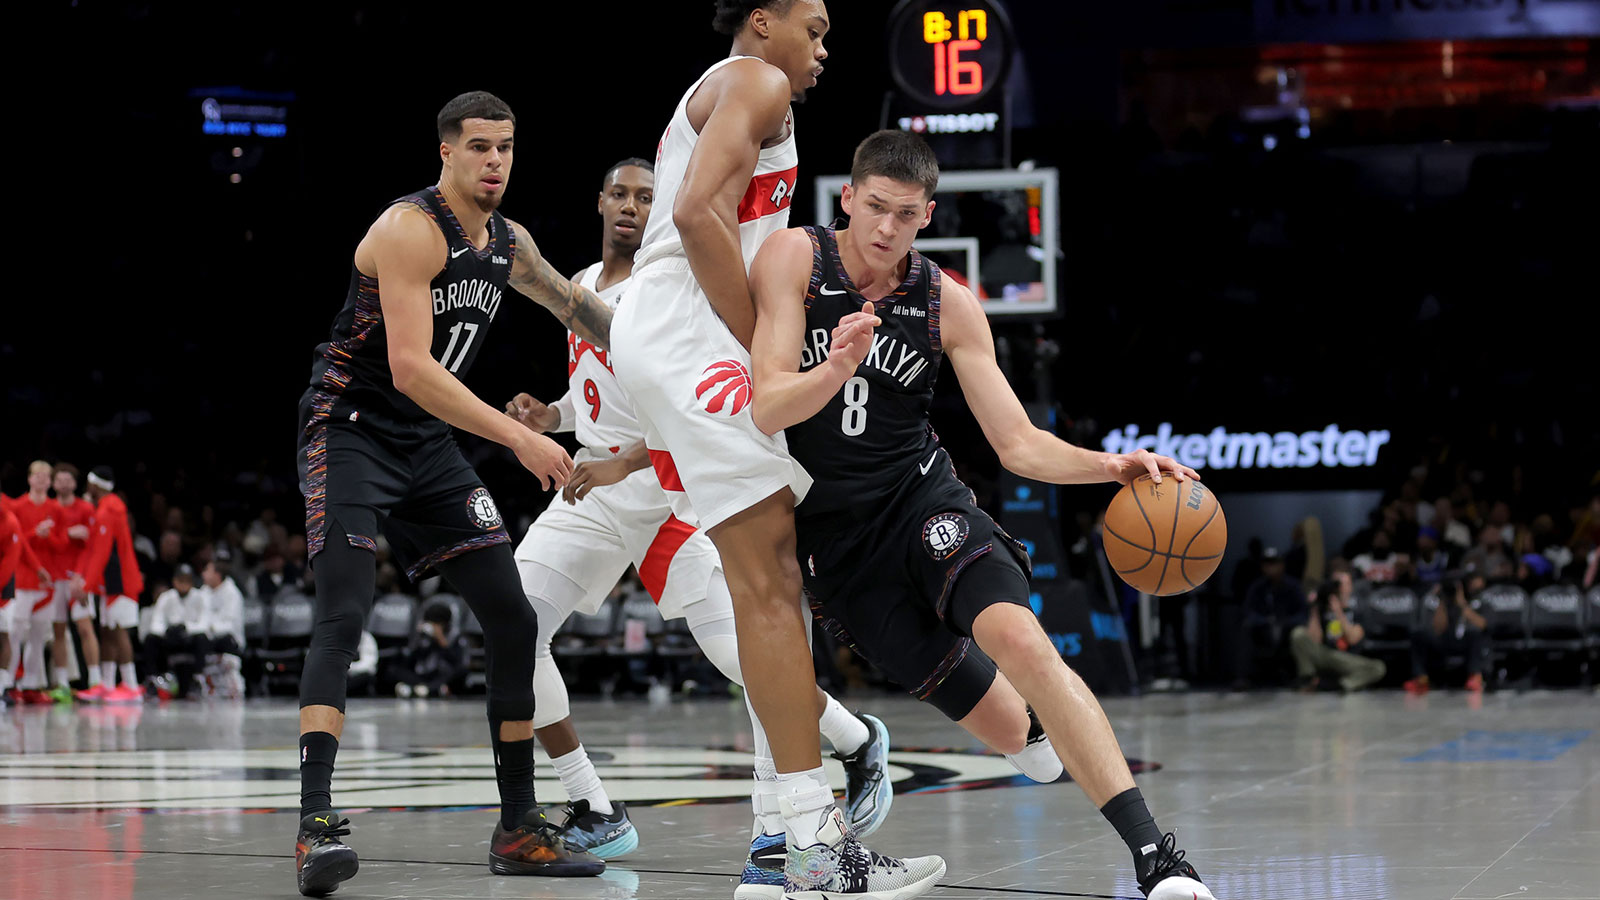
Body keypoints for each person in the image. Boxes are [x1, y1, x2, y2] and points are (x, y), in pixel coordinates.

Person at [747, 129, 1218, 900]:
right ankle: (1031, 731)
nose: (885, 229)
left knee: (1021, 639)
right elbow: (767, 405)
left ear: (928, 214)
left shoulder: (948, 303)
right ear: (846, 198)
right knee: (1011, 734)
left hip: (921, 502)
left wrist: (1112, 467)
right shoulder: (794, 260)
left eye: (904, 214)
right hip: (836, 544)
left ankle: (1157, 859)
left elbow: (1018, 444)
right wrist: (836, 363)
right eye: (873, 208)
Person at [608, 4, 947, 898]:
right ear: (763, 23)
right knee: (767, 586)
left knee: (764, 580)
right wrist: (762, 339)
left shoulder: (733, 92)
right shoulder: (756, 79)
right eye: (816, 27)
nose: (824, 48)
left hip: (665, 337)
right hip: (690, 333)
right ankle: (812, 849)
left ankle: (786, 845)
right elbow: (691, 212)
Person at [505, 158, 891, 875]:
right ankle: (593, 806)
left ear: (661, 213)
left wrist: (622, 463)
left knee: (746, 653)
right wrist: (550, 414)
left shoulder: (677, 297)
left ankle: (845, 742)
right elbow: (596, 399)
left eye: (645, 197)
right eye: (618, 193)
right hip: (592, 493)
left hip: (665, 494)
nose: (629, 206)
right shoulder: (587, 283)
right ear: (598, 200)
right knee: (511, 628)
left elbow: (697, 414)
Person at [289, 90, 621, 894]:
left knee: (512, 615)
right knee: (344, 612)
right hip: (354, 426)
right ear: (446, 152)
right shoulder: (410, 227)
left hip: (427, 445)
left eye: (506, 147)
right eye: (479, 147)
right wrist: (520, 438)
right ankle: (315, 827)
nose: (496, 161)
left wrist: (684, 360)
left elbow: (579, 310)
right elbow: (409, 368)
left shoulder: (509, 243)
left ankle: (518, 828)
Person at [72, 467, 145, 704]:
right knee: (107, 631)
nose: (87, 488)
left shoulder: (108, 512)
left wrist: (87, 585)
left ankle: (131, 686)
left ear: (97, 485)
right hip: (109, 582)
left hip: (121, 581)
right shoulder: (104, 510)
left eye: (89, 484)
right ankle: (106, 683)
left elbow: (101, 554)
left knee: (119, 631)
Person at [5, 461, 67, 703]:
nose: (41, 480)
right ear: (29, 479)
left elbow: (62, 545)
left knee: (39, 635)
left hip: (47, 582)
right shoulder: (17, 506)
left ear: (50, 482)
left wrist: (48, 536)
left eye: (46, 477)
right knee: (15, 634)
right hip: (23, 579)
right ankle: (8, 683)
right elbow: (14, 542)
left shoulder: (56, 509)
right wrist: (33, 534)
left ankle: (30, 684)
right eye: (37, 476)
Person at [53, 463, 104, 700]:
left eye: (68, 480)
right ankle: (63, 684)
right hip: (54, 580)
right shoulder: (50, 509)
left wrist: (81, 577)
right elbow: (47, 543)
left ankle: (95, 681)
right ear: (54, 483)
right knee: (58, 631)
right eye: (59, 480)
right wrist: (67, 534)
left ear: (74, 484)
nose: (63, 484)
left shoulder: (85, 509)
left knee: (85, 628)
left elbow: (92, 547)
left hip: (78, 579)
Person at [1288, 573, 1386, 692]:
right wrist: (1315, 609)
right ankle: (1308, 678)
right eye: (1337, 584)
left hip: (1347, 658)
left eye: (1344, 584)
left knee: (1378, 667)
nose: (1340, 588)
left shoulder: (1358, 610)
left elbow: (1353, 639)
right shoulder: (1322, 609)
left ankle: (1337, 685)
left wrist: (1339, 612)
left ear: (1350, 587)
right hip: (1325, 653)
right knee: (1298, 633)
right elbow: (1315, 639)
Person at [1, 504, 53, 705]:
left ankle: (4, 686)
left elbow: (14, 555)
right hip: (12, 583)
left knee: (7, 635)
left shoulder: (9, 521)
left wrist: (38, 568)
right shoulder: (14, 509)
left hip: (5, 588)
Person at [1406, 575, 1490, 694]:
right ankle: (1421, 678)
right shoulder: (1441, 602)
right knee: (1417, 633)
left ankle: (1474, 676)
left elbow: (1483, 625)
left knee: (1475, 633)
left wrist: (1461, 602)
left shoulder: (1474, 600)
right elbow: (1438, 629)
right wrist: (1442, 601)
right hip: (1444, 641)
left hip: (1464, 642)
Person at [144, 563, 207, 697]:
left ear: (192, 582)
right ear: (174, 581)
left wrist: (187, 628)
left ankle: (197, 680)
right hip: (170, 638)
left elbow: (205, 622)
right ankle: (152, 680)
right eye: (180, 580)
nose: (183, 584)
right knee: (151, 639)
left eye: (187, 581)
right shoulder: (166, 597)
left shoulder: (200, 597)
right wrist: (166, 631)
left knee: (202, 638)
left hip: (189, 637)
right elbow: (157, 621)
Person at [199, 560, 246, 698]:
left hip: (230, 639)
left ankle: (233, 685)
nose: (203, 574)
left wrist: (211, 628)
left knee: (222, 639)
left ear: (217, 575)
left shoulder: (232, 594)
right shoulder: (203, 592)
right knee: (198, 640)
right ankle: (200, 683)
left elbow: (230, 625)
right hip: (209, 635)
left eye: (207, 571)